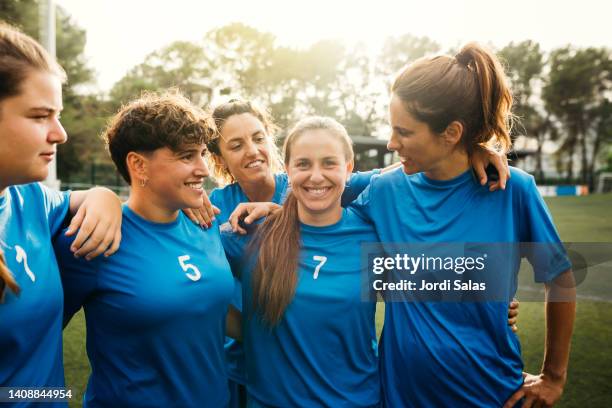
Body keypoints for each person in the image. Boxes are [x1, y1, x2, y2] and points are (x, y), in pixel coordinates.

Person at [198, 99, 517, 407]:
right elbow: (179, 273)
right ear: (220, 157)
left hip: (353, 392)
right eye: (236, 145)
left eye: (257, 138)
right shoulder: (221, 216)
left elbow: (410, 173)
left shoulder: (355, 219)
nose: (252, 150)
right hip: (247, 372)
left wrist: (467, 150)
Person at [348, 43, 576, 407]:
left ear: (452, 132)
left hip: (491, 394)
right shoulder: (382, 190)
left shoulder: (511, 189)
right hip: (402, 397)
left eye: (404, 132)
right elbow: (310, 184)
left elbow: (560, 277)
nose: (392, 143)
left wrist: (553, 377)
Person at [53, 92, 236, 407]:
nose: (203, 169)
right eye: (186, 156)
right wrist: (34, 398)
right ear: (138, 165)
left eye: (203, 154)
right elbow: (32, 339)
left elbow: (214, 314)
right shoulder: (94, 236)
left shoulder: (205, 224)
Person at [0, 22, 121, 406]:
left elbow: (84, 198)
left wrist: (104, 195)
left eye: (58, 114)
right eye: (39, 116)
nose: (60, 133)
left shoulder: (29, 198)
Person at [222, 116, 382, 407]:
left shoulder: (373, 233)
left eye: (329, 163)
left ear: (348, 169)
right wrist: (110, 203)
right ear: (287, 170)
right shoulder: (249, 234)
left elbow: (465, 278)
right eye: (304, 164)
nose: (316, 176)